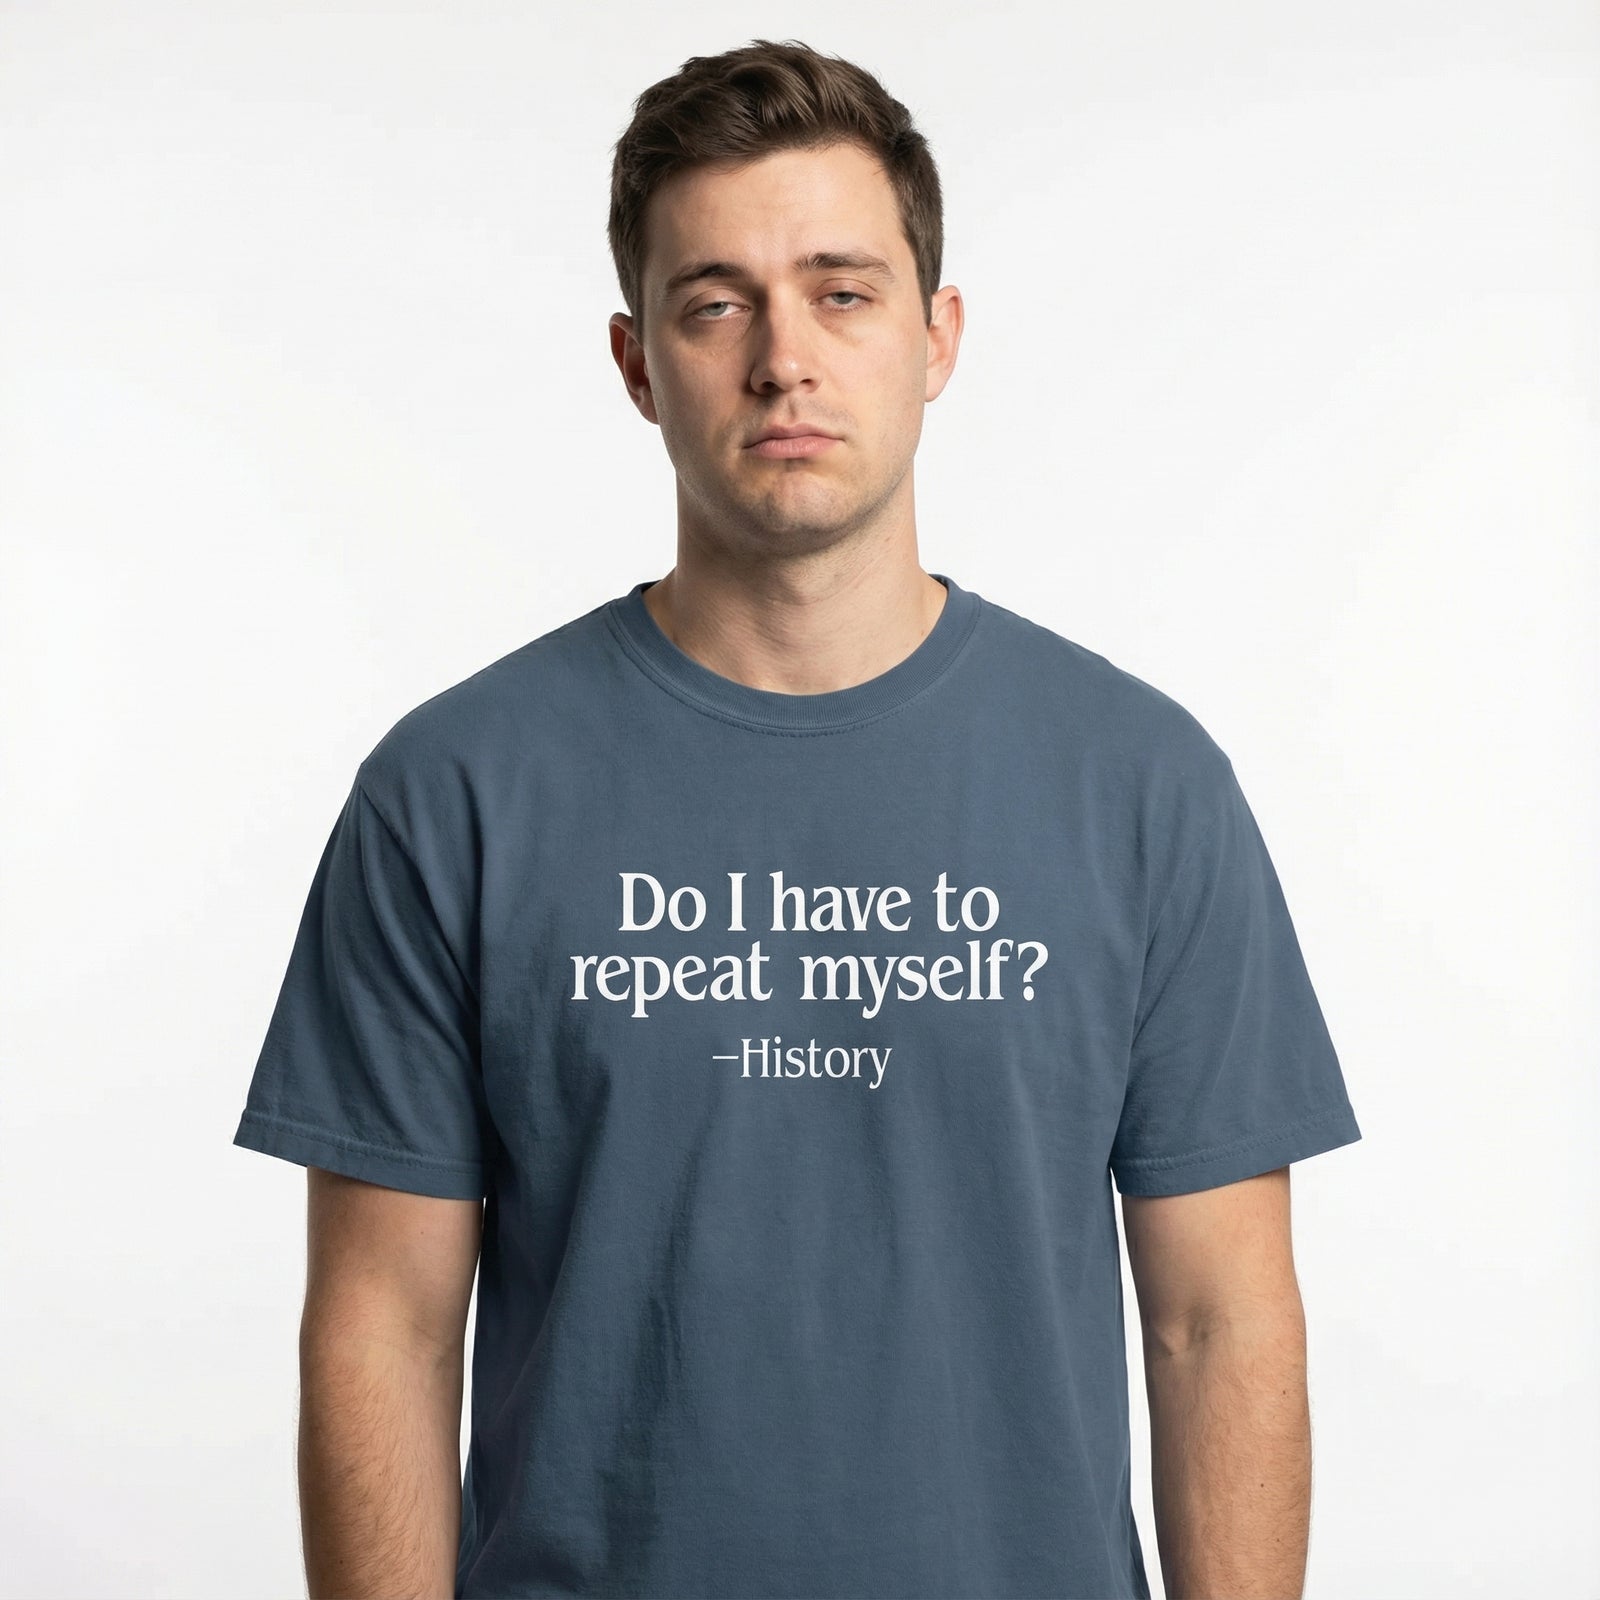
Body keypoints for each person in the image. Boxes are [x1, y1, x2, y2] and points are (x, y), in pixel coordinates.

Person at [233, 37, 1362, 1600]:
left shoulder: (1141, 785)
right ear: (637, 363)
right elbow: (383, 1327)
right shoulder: (456, 793)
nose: (784, 358)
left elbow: (1218, 1319)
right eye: (717, 303)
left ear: (935, 334)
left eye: (842, 290)